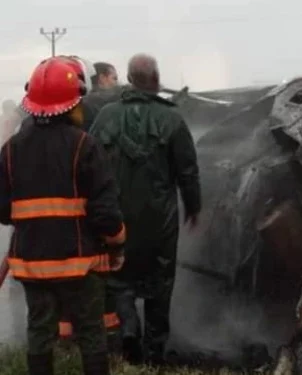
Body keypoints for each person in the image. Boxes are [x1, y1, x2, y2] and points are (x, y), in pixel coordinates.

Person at [0, 56, 127, 375]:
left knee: (39, 333)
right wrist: (117, 245)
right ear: (74, 102)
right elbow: (106, 214)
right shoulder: (85, 145)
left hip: (31, 263)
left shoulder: (11, 149)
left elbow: (3, 212)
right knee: (91, 333)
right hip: (80, 264)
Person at [89, 53, 201, 366]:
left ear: (128, 78)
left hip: (118, 218)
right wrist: (194, 208)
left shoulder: (107, 116)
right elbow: (188, 171)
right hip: (159, 220)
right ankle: (154, 355)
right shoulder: (173, 119)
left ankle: (128, 328)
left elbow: (90, 164)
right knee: (159, 284)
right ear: (154, 79)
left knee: (120, 279)